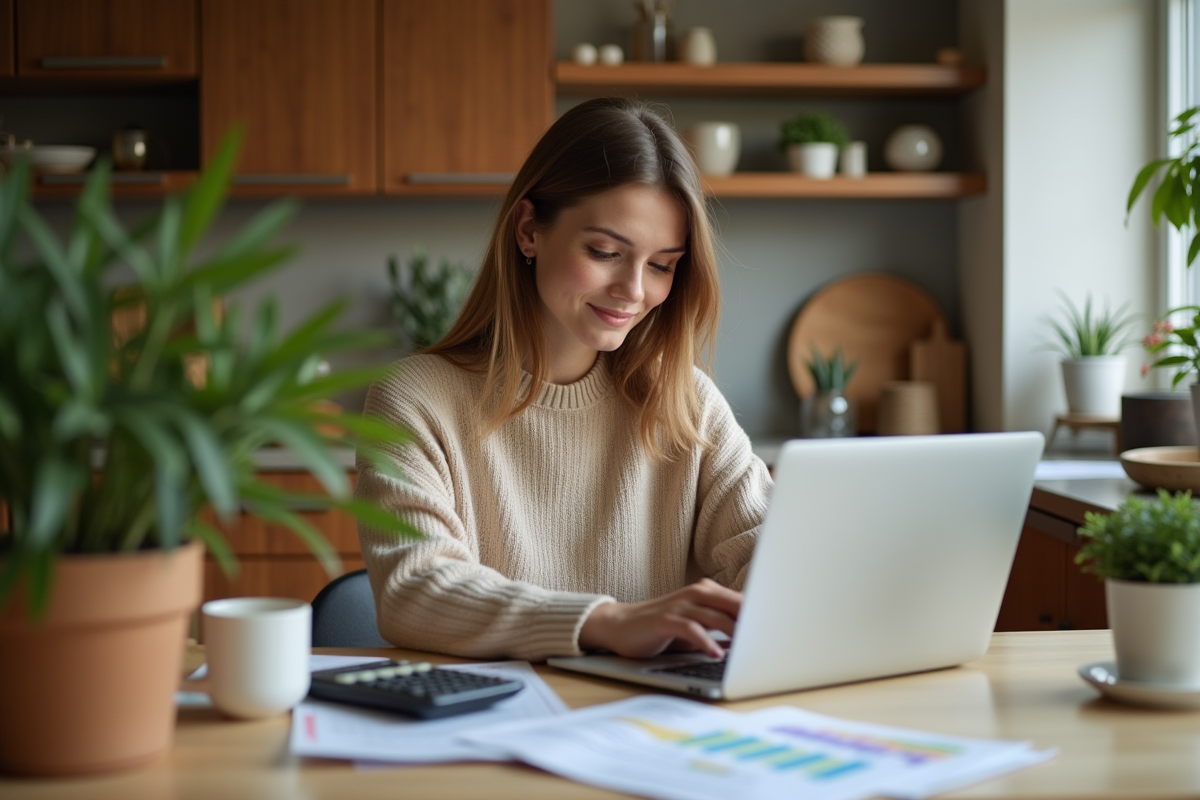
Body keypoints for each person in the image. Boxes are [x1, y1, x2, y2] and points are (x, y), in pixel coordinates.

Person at [357, 97, 772, 662]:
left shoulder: (686, 401)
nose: (633, 290)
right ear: (529, 230)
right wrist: (606, 622)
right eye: (605, 251)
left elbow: (768, 553)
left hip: (654, 712)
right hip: (497, 710)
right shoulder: (415, 400)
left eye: (661, 265)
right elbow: (416, 590)